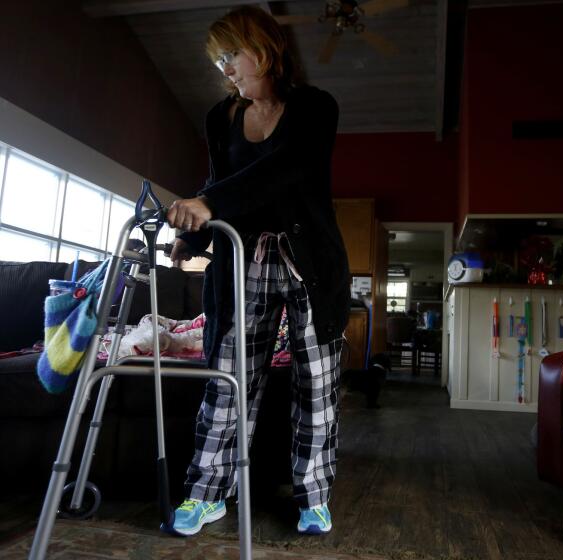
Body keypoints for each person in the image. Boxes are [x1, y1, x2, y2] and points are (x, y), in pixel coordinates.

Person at [164, 6, 350, 537]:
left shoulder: (315, 107)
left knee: (315, 384)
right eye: (218, 60)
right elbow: (218, 179)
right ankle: (206, 494)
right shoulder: (219, 117)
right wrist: (192, 233)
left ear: (262, 48)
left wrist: (208, 201)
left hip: (309, 262)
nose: (225, 69)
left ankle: (313, 498)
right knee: (230, 380)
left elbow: (286, 168)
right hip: (242, 261)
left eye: (230, 56)